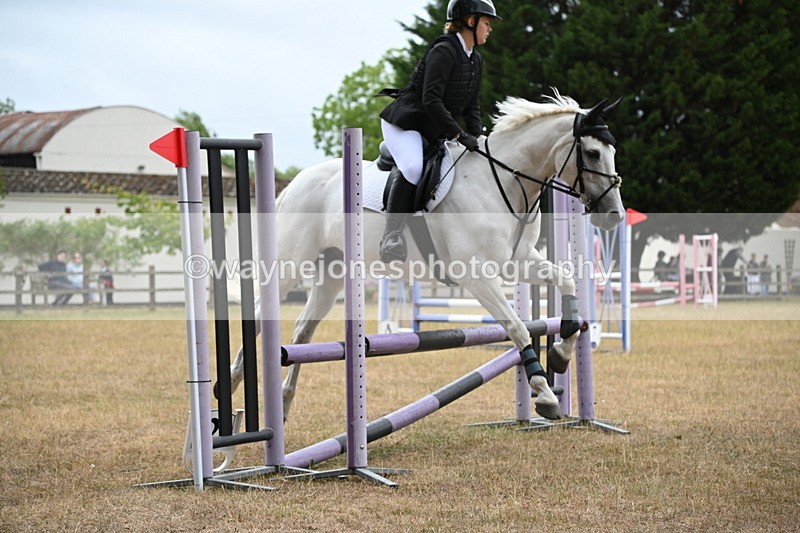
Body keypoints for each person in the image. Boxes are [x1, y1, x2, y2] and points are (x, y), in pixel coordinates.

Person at [376, 0, 501, 262]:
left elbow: (472, 106)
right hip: (405, 124)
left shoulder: (475, 60)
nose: (489, 29)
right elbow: (431, 99)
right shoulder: (444, 51)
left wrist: (477, 137)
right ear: (470, 21)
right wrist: (458, 134)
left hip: (434, 130)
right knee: (412, 167)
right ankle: (391, 237)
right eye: (486, 22)